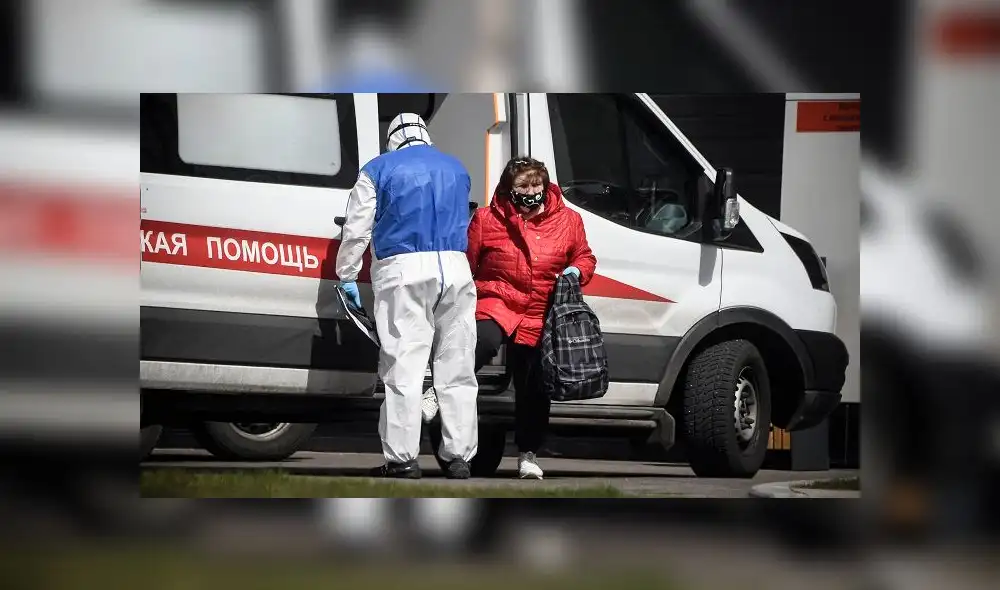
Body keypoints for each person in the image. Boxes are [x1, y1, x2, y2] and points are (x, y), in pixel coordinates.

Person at [426, 156, 597, 479]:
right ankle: (437, 389)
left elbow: (584, 255)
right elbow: (467, 263)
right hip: (497, 298)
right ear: (509, 188)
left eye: (536, 184)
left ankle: (528, 455)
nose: (531, 191)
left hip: (542, 309)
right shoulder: (487, 219)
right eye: (523, 185)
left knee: (533, 385)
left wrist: (577, 270)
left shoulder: (568, 220)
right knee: (482, 342)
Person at [336, 113, 479, 480]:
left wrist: (347, 274)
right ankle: (459, 457)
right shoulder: (457, 168)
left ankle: (402, 459)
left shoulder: (378, 168)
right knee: (457, 367)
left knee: (405, 367)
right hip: (456, 269)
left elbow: (356, 229)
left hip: (403, 271)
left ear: (392, 139)